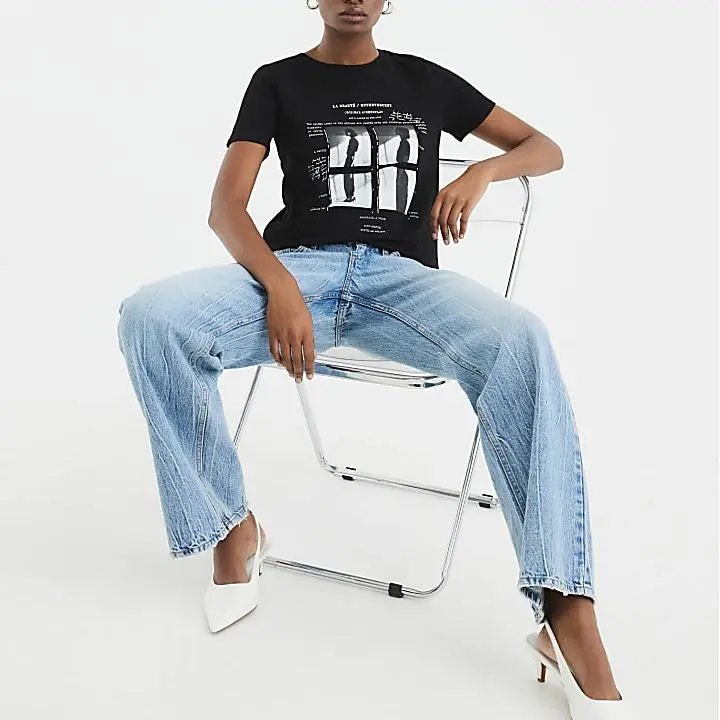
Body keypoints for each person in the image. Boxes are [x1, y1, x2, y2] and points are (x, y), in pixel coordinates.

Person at [116, 1, 626, 716]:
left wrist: (484, 170)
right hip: (295, 273)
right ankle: (230, 528)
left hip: (401, 284)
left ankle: (565, 606)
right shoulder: (276, 81)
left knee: (522, 339)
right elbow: (225, 207)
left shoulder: (427, 81)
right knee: (151, 318)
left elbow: (547, 148)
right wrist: (280, 284)